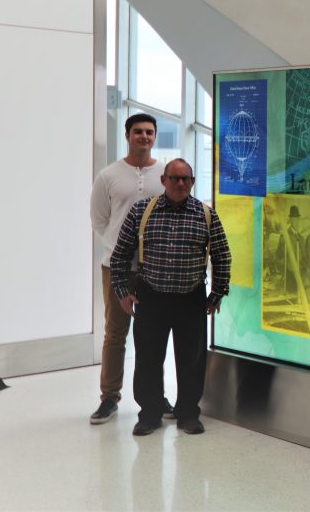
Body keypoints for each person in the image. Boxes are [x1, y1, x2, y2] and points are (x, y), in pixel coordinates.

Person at [109, 158, 231, 436]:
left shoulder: (205, 214)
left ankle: (188, 413)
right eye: (174, 178)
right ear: (163, 180)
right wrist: (122, 292)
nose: (179, 184)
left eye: (185, 179)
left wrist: (218, 293)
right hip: (151, 298)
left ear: (192, 182)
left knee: (191, 360)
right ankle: (150, 414)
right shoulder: (142, 211)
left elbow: (222, 255)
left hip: (191, 299)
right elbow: (120, 255)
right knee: (149, 359)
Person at [88, 113, 173, 424]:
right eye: (138, 132)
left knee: (154, 335)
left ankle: (157, 397)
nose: (144, 137)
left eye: (150, 132)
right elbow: (100, 220)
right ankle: (109, 398)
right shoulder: (109, 175)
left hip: (155, 268)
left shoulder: (166, 173)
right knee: (115, 334)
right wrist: (120, 247)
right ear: (127, 135)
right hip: (117, 267)